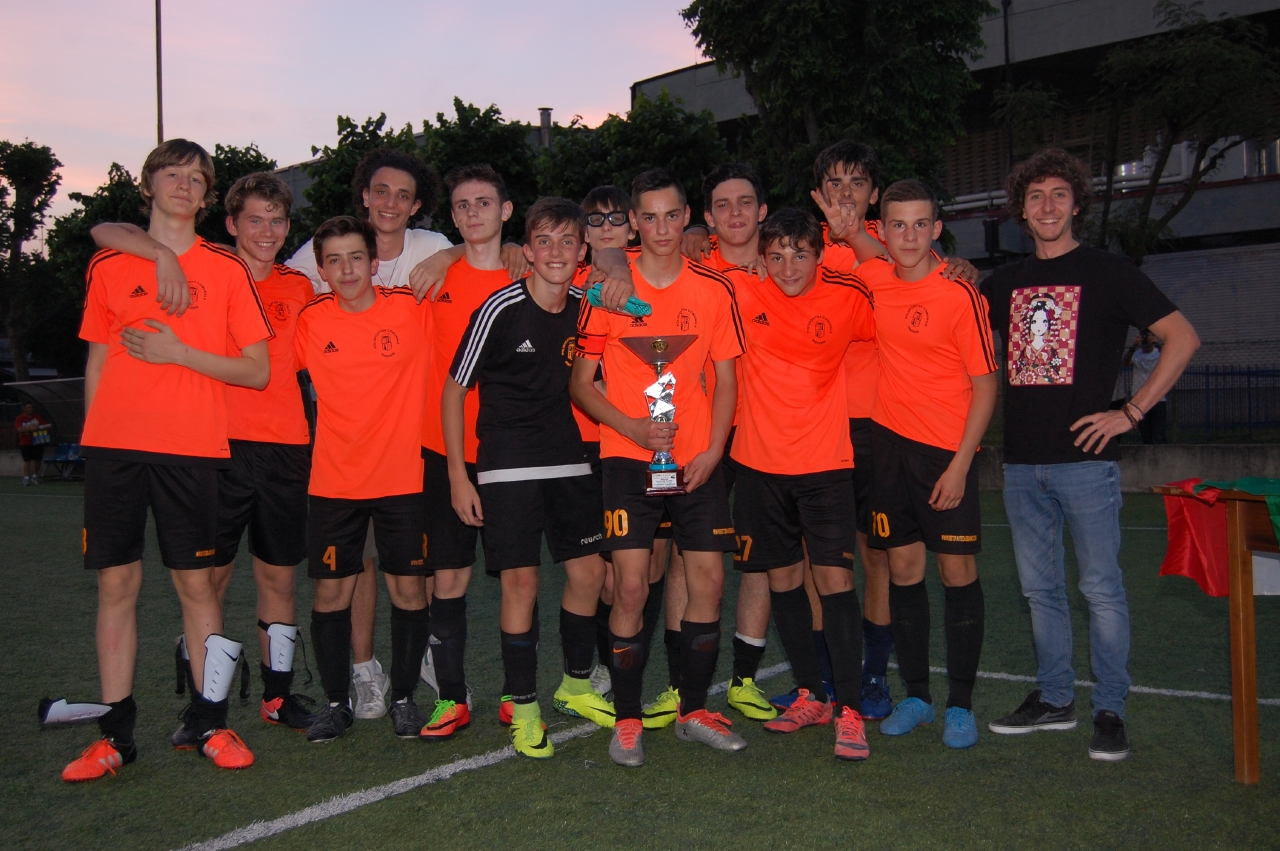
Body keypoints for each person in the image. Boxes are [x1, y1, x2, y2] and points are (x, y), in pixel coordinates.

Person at [63, 139, 271, 781]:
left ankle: (210, 722)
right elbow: (98, 360)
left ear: (208, 196)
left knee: (198, 586)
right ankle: (115, 737)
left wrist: (179, 354)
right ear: (147, 185)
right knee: (116, 586)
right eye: (172, 174)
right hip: (117, 451)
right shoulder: (109, 265)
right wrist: (95, 445)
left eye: (197, 178)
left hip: (192, 449)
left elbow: (257, 371)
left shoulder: (227, 269)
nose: (184, 185)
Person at [981, 148, 1198, 761]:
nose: (1047, 206)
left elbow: (1183, 338)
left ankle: (1109, 709)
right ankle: (1055, 699)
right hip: (1021, 465)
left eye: (1059, 194)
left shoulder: (1109, 272)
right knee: (1040, 592)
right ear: (1021, 210)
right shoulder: (1004, 283)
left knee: (1101, 590)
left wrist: (1130, 412)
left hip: (1086, 464)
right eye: (1035, 196)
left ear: (1077, 204)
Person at [90, 172, 317, 738]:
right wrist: (161, 253)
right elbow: (107, 231)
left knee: (279, 580)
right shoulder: (204, 269)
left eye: (277, 220)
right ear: (231, 223)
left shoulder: (302, 286)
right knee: (206, 582)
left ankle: (277, 696)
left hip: (286, 446)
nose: (266, 231)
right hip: (215, 445)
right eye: (254, 219)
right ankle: (203, 705)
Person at [572, 168, 745, 767]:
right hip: (627, 458)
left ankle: (693, 710)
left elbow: (727, 380)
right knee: (630, 586)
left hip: (696, 460)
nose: (663, 228)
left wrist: (715, 450)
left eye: (673, 216)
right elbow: (581, 383)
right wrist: (632, 428)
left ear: (687, 216)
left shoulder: (713, 289)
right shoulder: (608, 289)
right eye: (649, 217)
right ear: (634, 223)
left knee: (710, 583)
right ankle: (626, 721)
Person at [443, 197, 615, 758]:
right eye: (544, 241)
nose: (556, 252)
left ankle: (575, 685)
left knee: (590, 573)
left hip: (568, 457)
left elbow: (633, 329)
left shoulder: (587, 308)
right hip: (508, 463)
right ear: (529, 250)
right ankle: (524, 707)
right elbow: (453, 390)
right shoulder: (499, 307)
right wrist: (459, 474)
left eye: (567, 241)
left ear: (582, 251)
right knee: (520, 583)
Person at [855, 179, 997, 751]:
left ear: (937, 229)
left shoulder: (961, 294)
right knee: (903, 570)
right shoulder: (873, 279)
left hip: (946, 453)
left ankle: (961, 704)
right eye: (898, 225)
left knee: (957, 573)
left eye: (920, 224)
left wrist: (961, 465)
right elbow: (852, 253)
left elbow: (986, 386)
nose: (909, 236)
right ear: (883, 230)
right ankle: (916, 695)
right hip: (889, 446)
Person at [732, 209, 876, 760]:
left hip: (825, 465)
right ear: (762, 258)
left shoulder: (847, 295)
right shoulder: (743, 291)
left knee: (835, 582)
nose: (788, 267)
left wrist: (952, 264)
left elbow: (897, 283)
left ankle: (850, 710)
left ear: (819, 254)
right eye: (776, 256)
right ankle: (812, 693)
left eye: (799, 254)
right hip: (758, 465)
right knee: (784, 580)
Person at [292, 215, 434, 743]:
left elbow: (473, 279)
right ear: (322, 270)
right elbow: (263, 367)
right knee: (331, 593)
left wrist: (450, 255)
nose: (347, 269)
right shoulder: (310, 321)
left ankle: (403, 698)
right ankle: (336, 703)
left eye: (356, 257)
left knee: (408, 589)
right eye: (334, 260)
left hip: (404, 479)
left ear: (375, 263)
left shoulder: (412, 307)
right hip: (335, 483)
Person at [1126, 330, 1169, 444]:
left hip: (1158, 398)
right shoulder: (1136, 354)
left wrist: (1158, 344)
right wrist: (1133, 346)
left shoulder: (1159, 353)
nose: (1146, 340)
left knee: (1159, 434)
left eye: (1148, 337)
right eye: (1144, 337)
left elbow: (1170, 359)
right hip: (1140, 399)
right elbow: (1125, 363)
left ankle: (1162, 453)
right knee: (1145, 434)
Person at [14, 403, 49, 485]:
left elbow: (46, 426)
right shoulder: (20, 418)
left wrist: (38, 428)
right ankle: (26, 477)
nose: (30, 409)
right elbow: (19, 430)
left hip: (37, 442)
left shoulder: (37, 417)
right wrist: (30, 429)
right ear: (24, 408)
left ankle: (35, 476)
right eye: (28, 407)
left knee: (38, 460)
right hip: (25, 442)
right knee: (27, 461)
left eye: (31, 407)